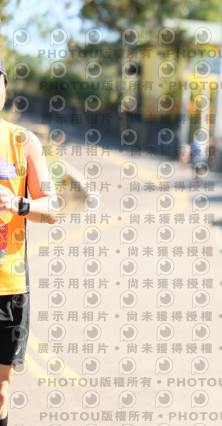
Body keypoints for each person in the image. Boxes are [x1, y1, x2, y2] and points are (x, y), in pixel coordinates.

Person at [0, 55, 57, 426]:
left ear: (5, 88)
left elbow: (52, 206)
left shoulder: (23, 142)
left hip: (9, 287)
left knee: (1, 391)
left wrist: (19, 203)